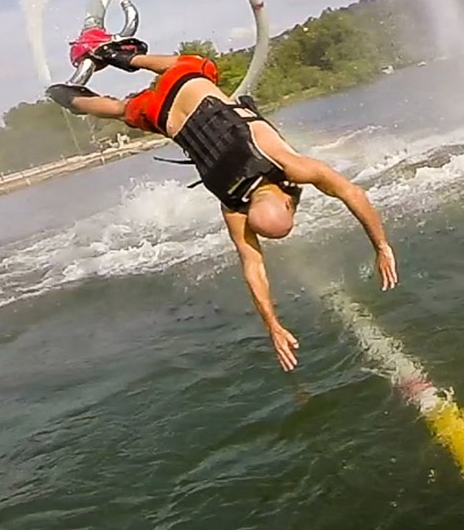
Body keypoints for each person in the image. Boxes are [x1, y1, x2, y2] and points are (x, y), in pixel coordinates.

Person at [46, 19, 397, 371]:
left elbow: (352, 194)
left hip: (186, 85)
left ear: (286, 200)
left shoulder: (288, 166)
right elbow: (253, 266)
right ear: (285, 202)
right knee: (124, 110)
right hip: (163, 115)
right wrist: (271, 325)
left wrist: (381, 245)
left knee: (199, 64)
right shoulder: (233, 204)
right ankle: (69, 99)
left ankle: (120, 55)